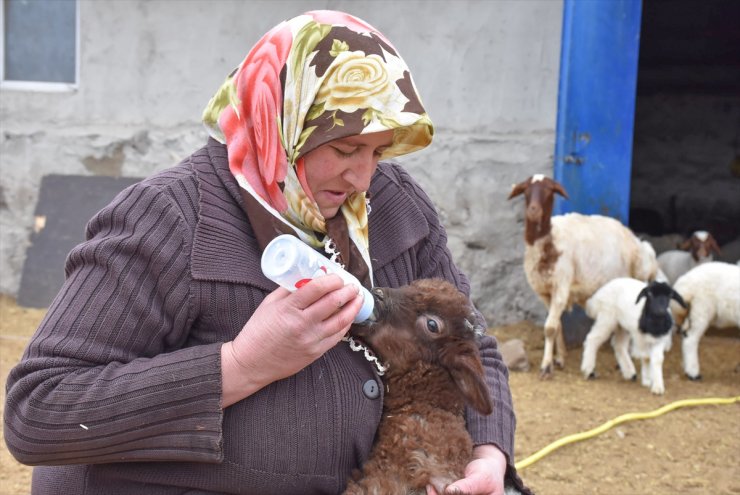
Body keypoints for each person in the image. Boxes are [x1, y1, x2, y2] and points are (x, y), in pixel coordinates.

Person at [4, 10, 530, 495]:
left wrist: (488, 454)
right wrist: (242, 364)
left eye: (378, 150)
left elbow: (471, 338)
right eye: (345, 148)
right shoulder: (169, 217)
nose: (363, 176)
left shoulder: (393, 206)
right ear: (281, 125)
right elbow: (38, 410)